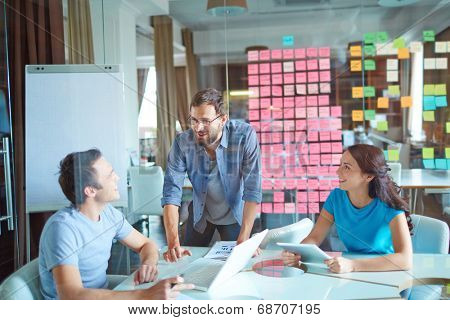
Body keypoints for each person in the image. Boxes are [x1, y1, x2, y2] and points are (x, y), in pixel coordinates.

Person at [39, 149, 193, 299]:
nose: (117, 178)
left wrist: (148, 264)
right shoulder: (62, 229)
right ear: (91, 190)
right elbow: (72, 296)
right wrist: (144, 295)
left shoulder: (108, 213)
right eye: (110, 175)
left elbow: (147, 245)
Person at [161, 88, 262, 262]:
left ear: (222, 119)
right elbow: (171, 193)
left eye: (205, 121)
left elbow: (253, 189)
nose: (198, 128)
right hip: (201, 215)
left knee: (237, 265)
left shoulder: (244, 136)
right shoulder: (182, 142)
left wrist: (244, 237)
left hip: (234, 214)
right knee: (183, 261)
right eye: (194, 120)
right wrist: (172, 241)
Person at [282, 144, 413, 273]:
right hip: (348, 269)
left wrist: (353, 265)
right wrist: (298, 252)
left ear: (368, 176)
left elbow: (405, 259)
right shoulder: (336, 197)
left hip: (386, 271)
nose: (338, 172)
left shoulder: (389, 205)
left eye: (347, 167)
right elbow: (315, 237)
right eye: (340, 165)